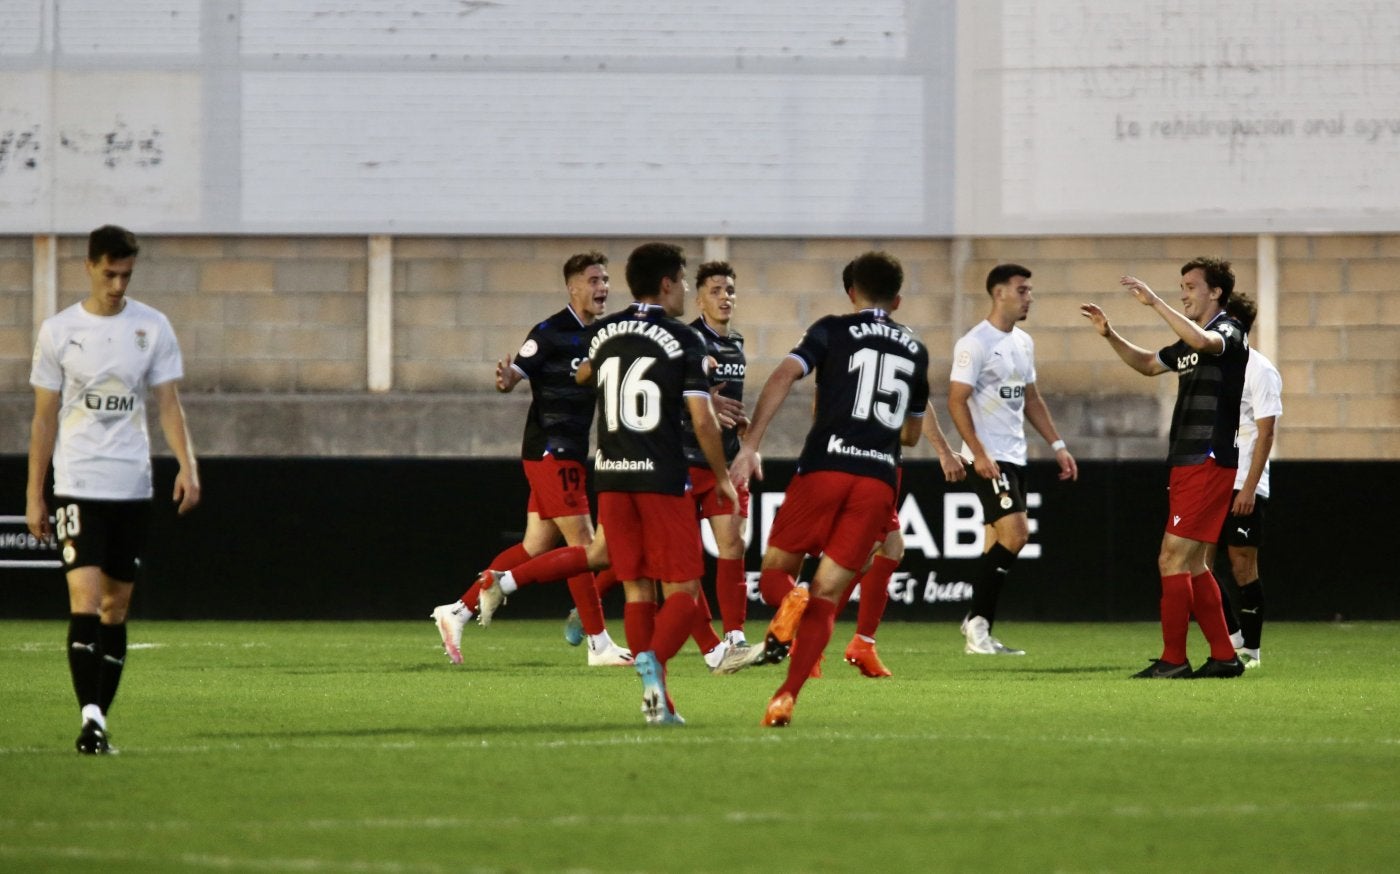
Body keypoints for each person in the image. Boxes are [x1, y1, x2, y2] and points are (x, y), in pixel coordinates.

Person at [480, 242, 736, 725]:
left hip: (612, 474)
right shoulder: (684, 338)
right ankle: (652, 663)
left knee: (632, 583)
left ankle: (656, 704)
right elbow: (702, 422)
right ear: (666, 284)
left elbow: (583, 374)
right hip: (661, 474)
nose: (684, 290)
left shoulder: (602, 331)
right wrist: (721, 476)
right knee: (683, 591)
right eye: (682, 281)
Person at [729, 250, 929, 727]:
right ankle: (786, 696)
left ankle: (788, 599)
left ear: (850, 291)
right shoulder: (916, 349)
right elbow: (911, 435)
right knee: (827, 597)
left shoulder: (832, 329)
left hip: (823, 468)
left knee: (779, 575)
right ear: (897, 299)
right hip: (877, 481)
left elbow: (783, 375)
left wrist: (751, 445)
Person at [26, 224, 201, 755]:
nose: (119, 284)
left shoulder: (152, 327)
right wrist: (36, 494)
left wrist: (188, 467)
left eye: (126, 274)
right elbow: (43, 418)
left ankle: (99, 716)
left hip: (132, 486)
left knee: (116, 609)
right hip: (78, 482)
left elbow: (168, 403)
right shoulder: (59, 331)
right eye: (110, 273)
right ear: (89, 266)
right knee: (85, 597)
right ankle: (90, 717)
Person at [430, 252, 631, 668]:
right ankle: (599, 644)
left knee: (535, 545)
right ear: (573, 287)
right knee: (585, 546)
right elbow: (517, 373)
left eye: (606, 280)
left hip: (571, 452)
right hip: (550, 451)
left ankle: (458, 611)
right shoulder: (551, 331)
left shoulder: (606, 333)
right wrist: (506, 379)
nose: (602, 288)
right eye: (594, 280)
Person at [1080, 258, 1249, 679]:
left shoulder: (1229, 330)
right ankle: (1224, 656)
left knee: (1170, 560)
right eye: (1180, 287)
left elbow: (1208, 343)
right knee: (1193, 565)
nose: (1184, 293)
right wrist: (1110, 335)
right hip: (1190, 460)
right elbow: (1147, 363)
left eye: (1191, 287)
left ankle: (1174, 659)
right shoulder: (1189, 344)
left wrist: (1154, 302)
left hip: (1206, 458)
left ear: (1216, 293)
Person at [947, 264, 1078, 656]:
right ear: (999, 293)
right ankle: (977, 625)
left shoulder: (1023, 343)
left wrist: (1057, 445)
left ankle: (977, 626)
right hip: (988, 458)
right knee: (1016, 535)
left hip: (1015, 456)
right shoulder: (974, 343)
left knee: (995, 541)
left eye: (1030, 290)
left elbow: (1031, 398)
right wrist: (981, 454)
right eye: (1022, 290)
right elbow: (956, 400)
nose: (1029, 297)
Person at [678, 261, 765, 675]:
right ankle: (710, 645)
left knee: (733, 546)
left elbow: (729, 402)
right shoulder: (687, 340)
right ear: (699, 299)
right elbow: (672, 394)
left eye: (729, 289)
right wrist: (701, 403)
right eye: (715, 290)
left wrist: (744, 435)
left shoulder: (738, 343)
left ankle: (735, 635)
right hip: (685, 460)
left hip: (725, 463)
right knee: (684, 563)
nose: (725, 296)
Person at [1208, 293, 1280, 668]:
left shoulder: (1260, 369)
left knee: (1241, 565)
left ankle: (1250, 649)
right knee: (1197, 565)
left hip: (1243, 483)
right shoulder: (1213, 368)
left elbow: (1266, 432)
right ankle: (1232, 638)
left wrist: (1250, 487)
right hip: (1211, 480)